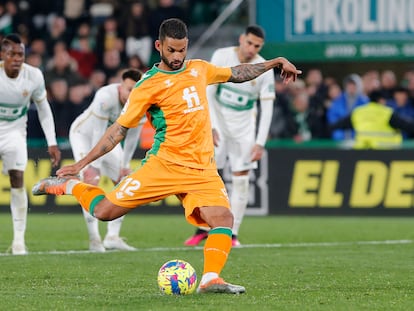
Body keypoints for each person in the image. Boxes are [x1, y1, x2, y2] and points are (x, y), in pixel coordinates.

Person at [32, 18, 301, 294]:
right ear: (159, 46)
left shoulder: (199, 69)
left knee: (224, 220)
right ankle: (69, 186)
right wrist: (81, 164)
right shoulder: (147, 85)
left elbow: (237, 72)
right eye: (171, 50)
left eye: (182, 50)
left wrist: (274, 62)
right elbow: (118, 131)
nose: (177, 57)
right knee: (104, 212)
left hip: (201, 170)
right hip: (164, 165)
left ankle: (210, 279)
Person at [184, 25, 275, 247]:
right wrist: (211, 125)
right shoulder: (222, 55)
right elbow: (209, 92)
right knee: (208, 178)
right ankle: (203, 229)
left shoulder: (264, 68)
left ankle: (232, 233)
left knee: (241, 181)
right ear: (241, 39)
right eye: (249, 43)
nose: (252, 49)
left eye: (257, 46)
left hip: (244, 129)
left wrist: (260, 142)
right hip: (219, 125)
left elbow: (267, 107)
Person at [69, 68, 143, 252]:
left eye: (136, 90)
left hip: (109, 141)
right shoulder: (105, 96)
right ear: (120, 86)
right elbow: (97, 132)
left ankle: (112, 237)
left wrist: (124, 166)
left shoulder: (141, 103)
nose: (131, 94)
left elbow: (132, 137)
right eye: (128, 89)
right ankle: (95, 240)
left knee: (125, 181)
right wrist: (93, 166)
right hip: (84, 135)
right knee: (91, 180)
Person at [0, 33, 61, 255]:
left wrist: (52, 142)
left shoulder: (34, 76)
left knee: (17, 177)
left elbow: (44, 109)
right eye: (12, 54)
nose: (17, 58)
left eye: (20, 54)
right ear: (2, 55)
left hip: (15, 132)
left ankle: (18, 241)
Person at [329, 90, 414, 149]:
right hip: (386, 151)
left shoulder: (358, 112)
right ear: (381, 100)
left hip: (362, 151)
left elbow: (336, 126)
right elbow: (407, 126)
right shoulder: (386, 112)